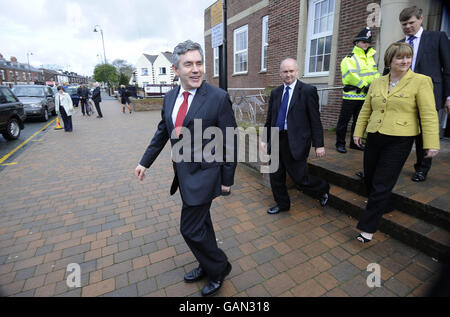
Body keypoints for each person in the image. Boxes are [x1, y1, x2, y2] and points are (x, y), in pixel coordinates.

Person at [134, 40, 237, 297]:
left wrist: (227, 178)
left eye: (199, 63)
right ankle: (207, 264)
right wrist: (144, 161)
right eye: (188, 64)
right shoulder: (170, 97)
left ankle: (219, 267)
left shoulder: (218, 97)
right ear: (175, 69)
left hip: (205, 174)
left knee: (189, 229)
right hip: (183, 174)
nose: (195, 69)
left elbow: (230, 140)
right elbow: (163, 132)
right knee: (202, 225)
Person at [353, 42, 440, 243]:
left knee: (382, 183)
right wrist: (359, 131)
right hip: (375, 135)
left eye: (408, 57)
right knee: (370, 179)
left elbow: (428, 114)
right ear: (389, 60)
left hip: (400, 139)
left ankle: (367, 228)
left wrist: (431, 142)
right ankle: (387, 204)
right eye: (399, 57)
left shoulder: (420, 81)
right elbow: (366, 109)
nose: (405, 61)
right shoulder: (377, 82)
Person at [262, 58, 330, 215]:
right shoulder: (276, 93)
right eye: (285, 71)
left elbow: (315, 120)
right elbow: (270, 118)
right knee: (276, 175)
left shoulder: (307, 91)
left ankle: (323, 187)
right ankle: (282, 204)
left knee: (300, 178)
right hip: (277, 138)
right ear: (280, 73)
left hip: (296, 141)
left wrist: (318, 144)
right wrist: (265, 139)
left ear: (297, 72)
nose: (288, 75)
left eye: (291, 71)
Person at [398, 6, 450, 182]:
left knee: (423, 136)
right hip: (403, 96)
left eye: (411, 22)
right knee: (400, 133)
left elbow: (448, 68)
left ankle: (422, 169)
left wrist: (448, 96)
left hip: (429, 95)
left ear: (421, 19)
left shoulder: (437, 37)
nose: (407, 27)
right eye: (404, 24)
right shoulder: (400, 44)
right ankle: (391, 165)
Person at [336, 27, 380, 153]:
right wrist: (364, 85)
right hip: (351, 96)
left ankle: (355, 143)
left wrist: (376, 84)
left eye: (368, 42)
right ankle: (340, 143)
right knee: (343, 122)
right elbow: (349, 75)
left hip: (364, 97)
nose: (366, 44)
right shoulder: (349, 58)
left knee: (359, 122)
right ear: (357, 43)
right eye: (363, 42)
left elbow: (374, 74)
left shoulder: (370, 58)